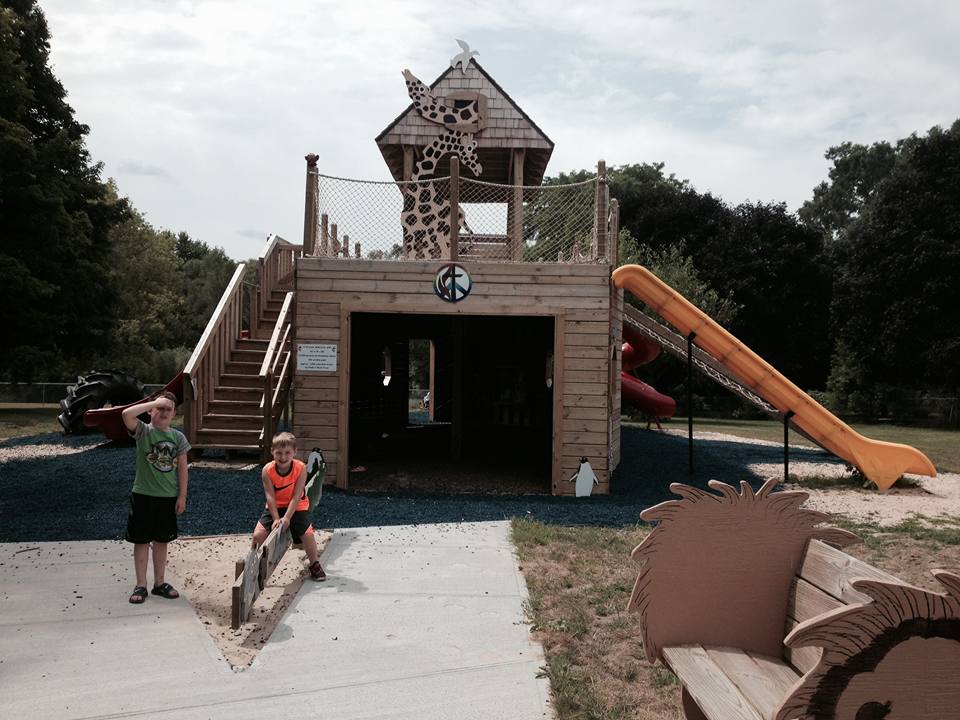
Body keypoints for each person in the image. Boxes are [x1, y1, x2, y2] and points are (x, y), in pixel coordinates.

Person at [121, 391, 190, 604]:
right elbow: (126, 414)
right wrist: (154, 402)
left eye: (169, 409)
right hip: (143, 495)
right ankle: (140, 584)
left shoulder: (178, 437)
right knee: (141, 540)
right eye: (160, 408)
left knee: (162, 541)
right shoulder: (144, 432)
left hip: (167, 498)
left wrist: (182, 496)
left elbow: (183, 470)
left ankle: (159, 583)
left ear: (175, 414)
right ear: (151, 410)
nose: (164, 412)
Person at [252, 432, 326, 581]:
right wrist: (275, 518)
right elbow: (270, 496)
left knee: (308, 535)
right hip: (276, 505)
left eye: (287, 453)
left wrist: (286, 518)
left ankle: (314, 564)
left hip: (297, 505)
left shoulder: (300, 469)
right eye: (278, 453)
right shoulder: (267, 470)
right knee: (258, 535)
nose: (283, 457)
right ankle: (253, 565)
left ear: (295, 452)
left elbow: (296, 495)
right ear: (272, 452)